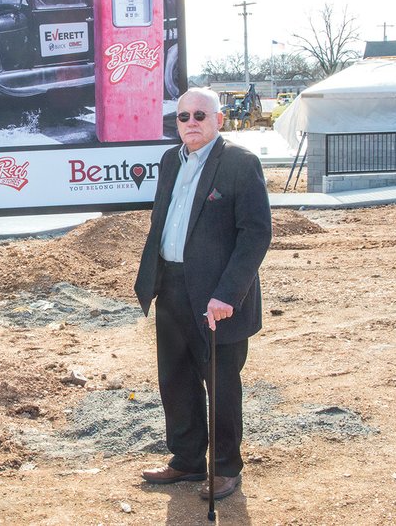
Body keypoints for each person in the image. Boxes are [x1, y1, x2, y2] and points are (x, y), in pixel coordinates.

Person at [134, 87, 272, 500]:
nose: (190, 123)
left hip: (218, 299)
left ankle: (226, 468)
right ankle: (188, 460)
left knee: (222, 384)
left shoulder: (239, 163)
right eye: (183, 116)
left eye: (199, 115)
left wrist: (228, 294)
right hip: (171, 288)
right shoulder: (169, 162)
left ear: (218, 120)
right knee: (175, 379)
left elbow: (256, 234)